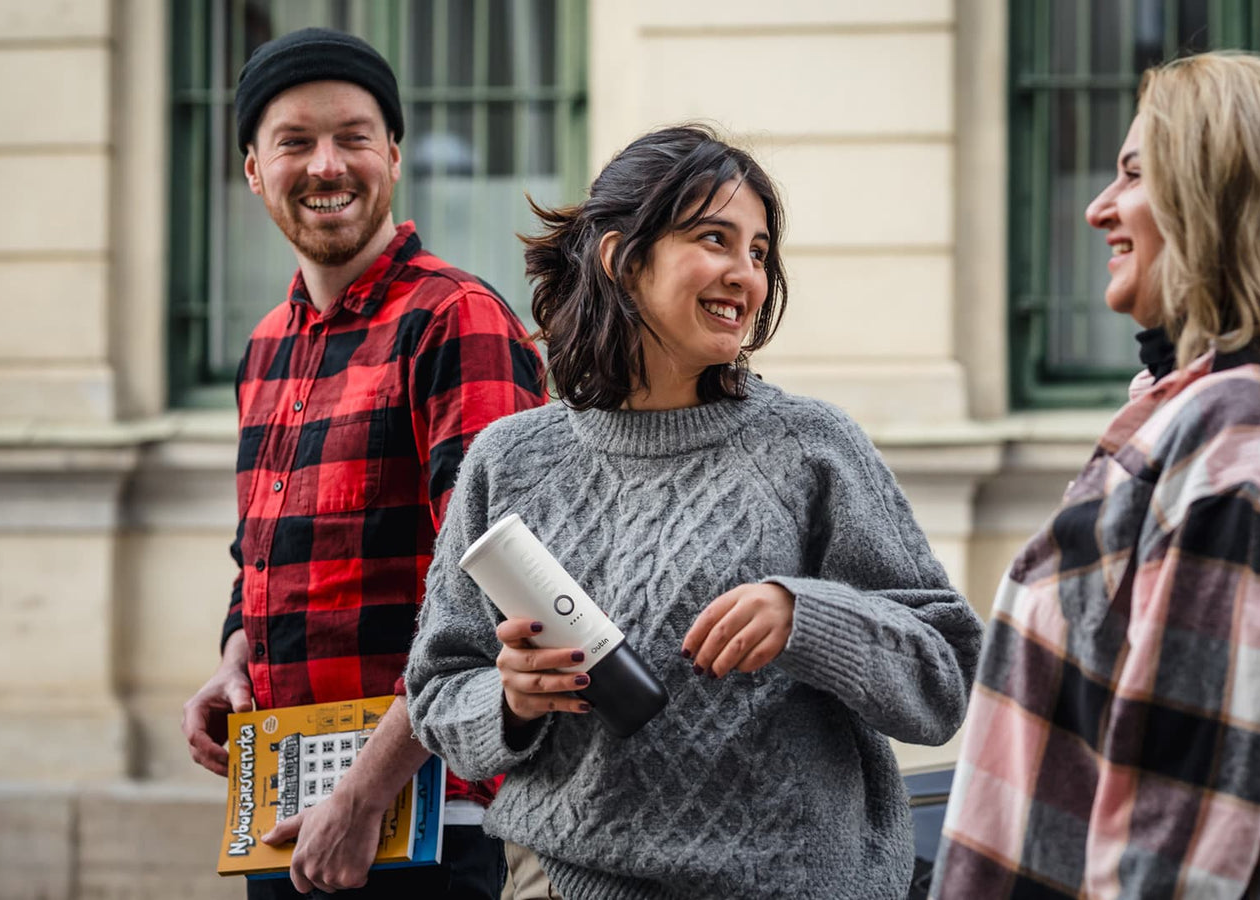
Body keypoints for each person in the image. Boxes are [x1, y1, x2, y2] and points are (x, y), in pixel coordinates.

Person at [402, 124, 985, 900]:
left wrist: (808, 617)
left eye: (758, 251)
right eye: (716, 238)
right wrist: (509, 700)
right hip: (569, 883)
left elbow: (950, 678)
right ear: (621, 257)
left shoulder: (811, 447)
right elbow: (438, 693)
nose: (746, 273)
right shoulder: (510, 460)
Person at [931, 51, 1260, 899]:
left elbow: (1175, 837)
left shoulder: (1245, 443)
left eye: (1134, 175)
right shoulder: (1211, 419)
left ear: (1223, 202)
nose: (1097, 208)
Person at [178, 27, 546, 899]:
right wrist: (236, 659)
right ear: (253, 170)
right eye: (294, 142)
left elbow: (502, 589)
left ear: (393, 154)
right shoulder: (266, 347)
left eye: (352, 137)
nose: (327, 165)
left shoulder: (455, 321)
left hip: (436, 818)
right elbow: (259, 560)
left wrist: (365, 790)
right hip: (286, 803)